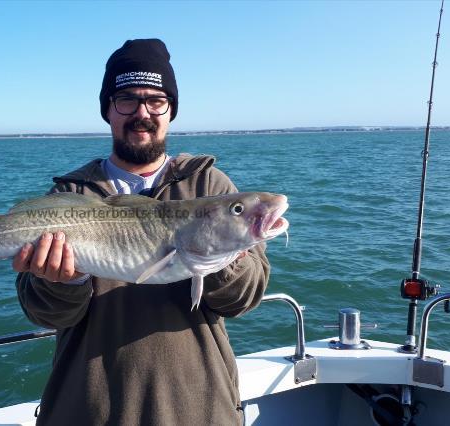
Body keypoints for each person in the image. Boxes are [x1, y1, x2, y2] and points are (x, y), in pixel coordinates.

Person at [14, 38, 270, 425]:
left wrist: (217, 254)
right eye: (127, 100)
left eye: (156, 100)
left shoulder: (211, 188)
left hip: (198, 408)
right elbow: (42, 312)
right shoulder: (69, 196)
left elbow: (244, 298)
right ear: (108, 110)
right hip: (87, 410)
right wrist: (62, 282)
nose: (142, 113)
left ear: (170, 110)